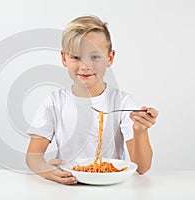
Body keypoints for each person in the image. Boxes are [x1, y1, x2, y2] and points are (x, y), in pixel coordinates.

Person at [25, 15, 158, 185]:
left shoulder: (122, 102)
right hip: (67, 186)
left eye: (95, 57)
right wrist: (47, 171)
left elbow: (142, 167)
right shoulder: (55, 101)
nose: (85, 66)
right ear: (64, 58)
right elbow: (33, 157)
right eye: (76, 57)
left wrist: (140, 131)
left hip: (112, 188)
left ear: (109, 58)